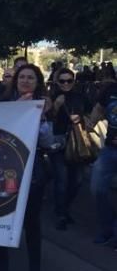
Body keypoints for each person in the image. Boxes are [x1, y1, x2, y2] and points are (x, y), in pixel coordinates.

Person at [0, 64, 52, 271]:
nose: (26, 81)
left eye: (31, 78)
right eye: (22, 77)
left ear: (38, 82)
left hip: (33, 166)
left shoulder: (43, 106)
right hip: (8, 165)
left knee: (32, 222)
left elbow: (48, 140)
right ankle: (2, 265)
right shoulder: (4, 102)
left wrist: (43, 117)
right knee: (3, 214)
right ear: (15, 80)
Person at [48, 67, 90, 229]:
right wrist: (57, 106)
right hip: (58, 142)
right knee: (62, 179)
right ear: (57, 82)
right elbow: (47, 119)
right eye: (62, 81)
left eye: (69, 80)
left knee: (77, 180)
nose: (66, 84)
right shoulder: (52, 97)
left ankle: (65, 207)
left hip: (77, 141)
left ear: (74, 81)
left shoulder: (81, 97)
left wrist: (82, 119)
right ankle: (61, 214)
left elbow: (91, 112)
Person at [89, 71, 117, 246]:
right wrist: (90, 123)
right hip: (109, 150)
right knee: (97, 189)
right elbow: (99, 109)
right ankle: (108, 228)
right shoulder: (111, 89)